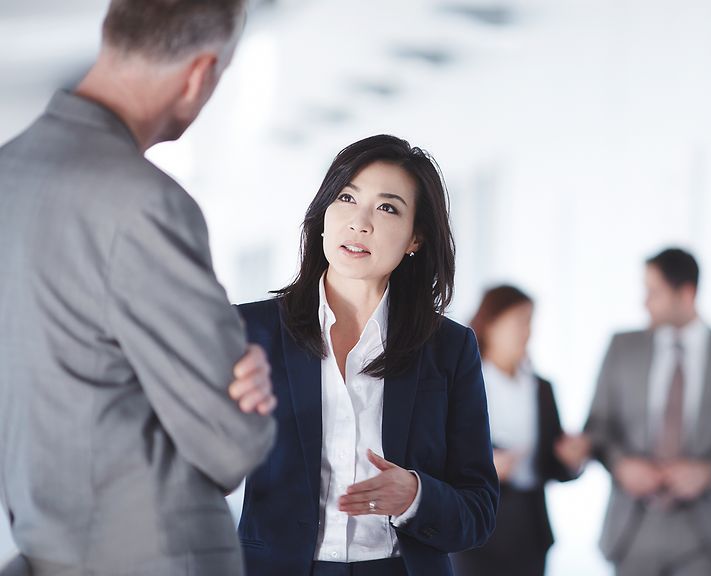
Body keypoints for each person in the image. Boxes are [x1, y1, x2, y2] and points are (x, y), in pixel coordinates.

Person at [0, 1, 278, 575]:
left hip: (44, 543)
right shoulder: (145, 203)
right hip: (155, 554)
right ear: (201, 73)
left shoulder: (9, 174)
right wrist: (248, 371)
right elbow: (230, 442)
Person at [235, 135, 499, 576]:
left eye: (387, 207)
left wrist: (415, 496)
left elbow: (479, 511)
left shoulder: (448, 347)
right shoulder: (248, 331)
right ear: (322, 215)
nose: (360, 223)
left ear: (416, 238)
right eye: (347, 197)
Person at [585, 248, 711, 576]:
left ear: (686, 293)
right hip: (633, 529)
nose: (644, 302)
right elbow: (597, 427)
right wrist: (621, 465)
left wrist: (709, 472)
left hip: (708, 534)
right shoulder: (622, 347)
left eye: (653, 292)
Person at [453, 286, 590, 576]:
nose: (527, 332)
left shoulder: (541, 387)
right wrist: (486, 466)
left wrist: (571, 459)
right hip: (479, 528)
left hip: (530, 527)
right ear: (490, 324)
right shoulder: (462, 383)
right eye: (520, 321)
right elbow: (441, 453)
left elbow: (552, 465)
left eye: (530, 322)